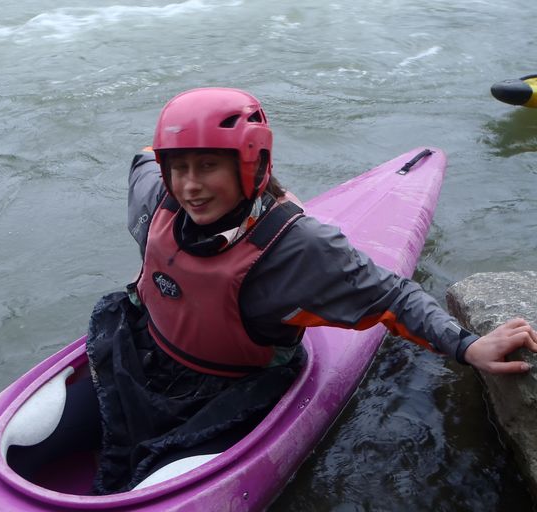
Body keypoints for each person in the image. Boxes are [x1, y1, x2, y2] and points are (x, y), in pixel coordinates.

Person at [82, 87, 537, 494]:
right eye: (178, 167)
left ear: (252, 163)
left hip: (228, 392)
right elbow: (144, 158)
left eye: (207, 166)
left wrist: (467, 345)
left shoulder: (300, 250)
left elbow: (393, 297)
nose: (190, 186)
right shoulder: (156, 198)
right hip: (142, 354)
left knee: (142, 481)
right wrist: (168, 149)